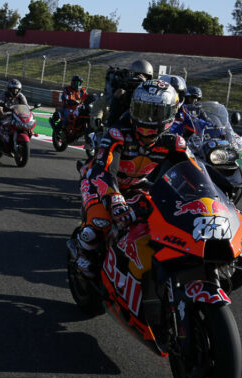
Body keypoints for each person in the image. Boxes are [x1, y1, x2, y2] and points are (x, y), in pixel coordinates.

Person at [75, 80, 197, 277]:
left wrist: (212, 201)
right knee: (98, 226)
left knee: (160, 223)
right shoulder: (117, 133)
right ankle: (82, 253)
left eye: (155, 112)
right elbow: (103, 169)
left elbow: (194, 173)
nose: (147, 118)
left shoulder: (174, 142)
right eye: (141, 109)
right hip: (98, 183)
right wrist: (114, 197)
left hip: (138, 184)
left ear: (170, 113)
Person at [104, 59, 153, 126]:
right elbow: (113, 116)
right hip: (124, 122)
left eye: (143, 76)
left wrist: (143, 85)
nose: (137, 79)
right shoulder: (124, 88)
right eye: (136, 75)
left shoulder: (150, 92)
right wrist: (116, 98)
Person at [0, 78, 30, 143]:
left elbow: (26, 106)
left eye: (17, 89)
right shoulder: (3, 95)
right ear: (9, 89)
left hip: (16, 114)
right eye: (13, 89)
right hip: (5, 113)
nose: (15, 91)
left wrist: (28, 110)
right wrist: (2, 113)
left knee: (26, 125)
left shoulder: (21, 96)